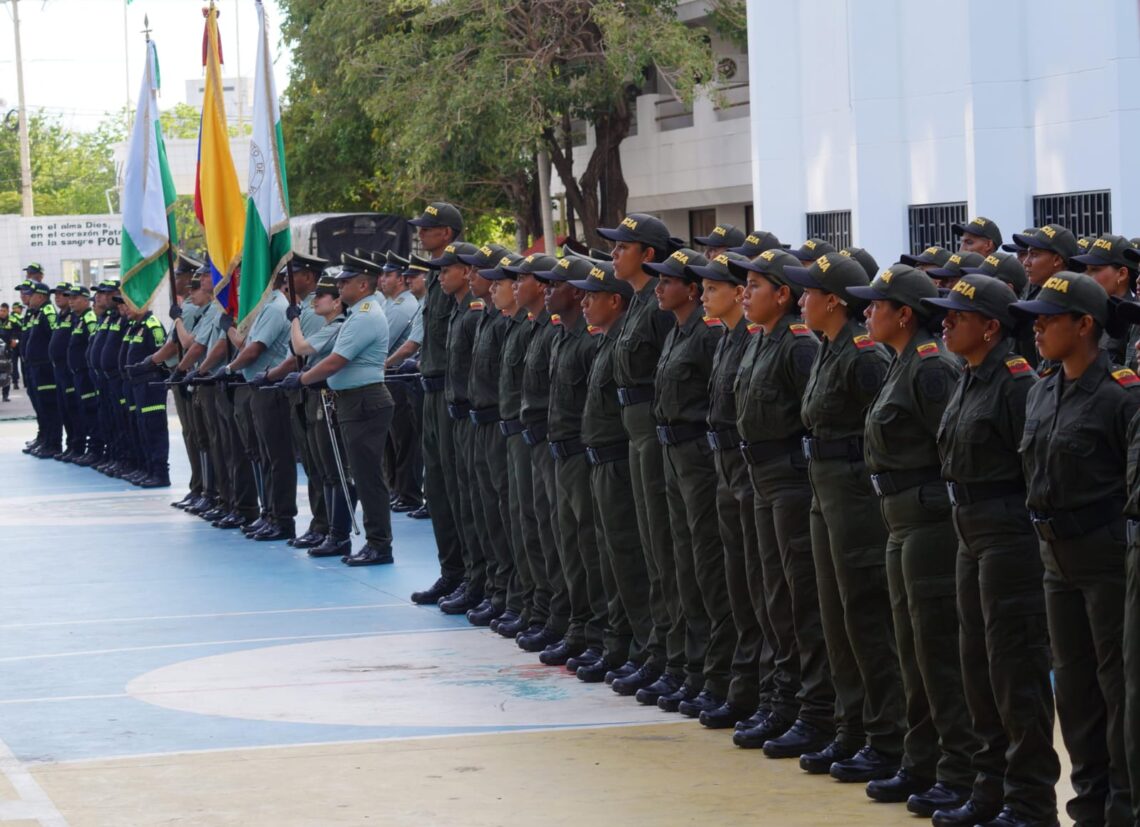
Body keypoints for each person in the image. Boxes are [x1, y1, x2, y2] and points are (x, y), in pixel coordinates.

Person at [921, 274, 1060, 827]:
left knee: (1014, 669)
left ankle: (1029, 802)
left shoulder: (1016, 384)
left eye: (959, 314)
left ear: (992, 327)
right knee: (975, 666)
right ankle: (989, 788)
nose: (947, 321)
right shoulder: (967, 376)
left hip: (1008, 537)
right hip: (969, 531)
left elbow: (1037, 471)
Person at [848, 265, 976, 815]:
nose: (867, 313)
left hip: (928, 522)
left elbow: (953, 449)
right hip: (899, 519)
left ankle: (958, 768)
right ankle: (920, 759)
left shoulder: (930, 370)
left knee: (936, 648)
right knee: (911, 648)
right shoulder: (902, 363)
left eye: (877, 305)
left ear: (904, 313)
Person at [1012, 272, 1138, 827]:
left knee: (1117, 689)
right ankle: (1087, 803)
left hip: (1104, 557)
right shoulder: (1042, 388)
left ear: (1084, 325)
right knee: (1076, 691)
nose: (1036, 326)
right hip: (1054, 558)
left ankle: (1121, 805)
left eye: (1049, 318)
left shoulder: (1120, 397)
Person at [784, 253, 907, 782]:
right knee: (833, 614)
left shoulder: (863, 356)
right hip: (823, 491)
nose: (801, 300)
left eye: (809, 293)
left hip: (854, 496)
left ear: (834, 301)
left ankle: (886, 736)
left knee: (864, 614)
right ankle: (850, 725)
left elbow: (883, 434)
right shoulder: (828, 350)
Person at [729, 248, 836, 757]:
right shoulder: (759, 340)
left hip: (790, 481)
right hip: (759, 478)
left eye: (755, 285)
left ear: (783, 294)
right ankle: (782, 698)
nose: (745, 293)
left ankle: (814, 710)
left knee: (799, 598)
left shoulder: (798, 346)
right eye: (744, 285)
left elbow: (811, 419)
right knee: (770, 593)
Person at [597, 213, 684, 702]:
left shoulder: (655, 307)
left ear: (647, 255)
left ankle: (669, 656)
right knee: (646, 548)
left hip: (652, 431)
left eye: (622, 246)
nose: (613, 254)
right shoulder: (637, 304)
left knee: (659, 550)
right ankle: (657, 652)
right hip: (635, 431)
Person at [689, 250, 775, 734]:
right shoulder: (727, 338)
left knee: (761, 589)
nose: (704, 294)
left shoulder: (756, 340)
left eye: (713, 287)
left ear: (740, 293)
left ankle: (759, 692)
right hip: (726, 466)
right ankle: (743, 687)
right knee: (737, 585)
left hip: (750, 470)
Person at [648, 247, 735, 716]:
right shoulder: (679, 331)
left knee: (706, 565)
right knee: (681, 560)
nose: (660, 288)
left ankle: (713, 673)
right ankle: (691, 665)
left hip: (699, 458)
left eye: (669, 280)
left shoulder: (708, 335)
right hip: (673, 454)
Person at [573, 259, 654, 684]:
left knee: (630, 558)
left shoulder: (624, 336)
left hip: (621, 461)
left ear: (615, 301)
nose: (584, 303)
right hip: (599, 461)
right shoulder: (607, 341)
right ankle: (619, 644)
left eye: (593, 296)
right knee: (608, 560)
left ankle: (642, 650)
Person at [290, 256, 395, 567]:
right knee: (361, 475)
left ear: (363, 284)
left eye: (344, 282)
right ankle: (358, 538)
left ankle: (379, 544)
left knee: (368, 477)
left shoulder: (365, 315)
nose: (338, 286)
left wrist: (303, 378)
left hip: (365, 400)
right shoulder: (357, 313)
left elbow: (337, 360)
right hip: (355, 400)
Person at [404, 203, 468, 605]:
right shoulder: (435, 276)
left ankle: (469, 574)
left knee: (456, 487)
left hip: (449, 390)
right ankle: (451, 571)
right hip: (430, 389)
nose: (421, 234)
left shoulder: (459, 268)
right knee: (438, 488)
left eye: (428, 228)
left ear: (446, 233)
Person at [481, 252, 543, 639]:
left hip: (532, 434)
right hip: (509, 429)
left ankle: (539, 609)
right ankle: (523, 600)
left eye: (510, 281)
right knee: (511, 516)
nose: (500, 287)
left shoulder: (535, 327)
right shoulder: (516, 326)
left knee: (539, 524)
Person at [272, 274, 351, 559]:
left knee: (332, 470)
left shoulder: (338, 325)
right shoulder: (330, 323)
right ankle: (323, 526)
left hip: (326, 400)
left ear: (337, 303)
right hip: (314, 397)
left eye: (322, 296)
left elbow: (301, 349)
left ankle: (334, 530)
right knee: (318, 468)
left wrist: (294, 320)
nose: (315, 300)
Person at [458, 244, 516, 626]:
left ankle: (509, 594)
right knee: (483, 510)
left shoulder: (505, 322)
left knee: (505, 514)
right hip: (480, 421)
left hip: (499, 423)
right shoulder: (484, 318)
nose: (477, 280)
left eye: (489, 276)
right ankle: (495, 589)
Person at [221, 269, 297, 542]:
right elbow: (246, 344)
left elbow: (254, 350)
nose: (243, 280)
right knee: (263, 455)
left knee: (278, 458)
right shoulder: (264, 307)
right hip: (259, 386)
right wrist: (230, 329)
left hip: (271, 388)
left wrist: (229, 368)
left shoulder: (276, 307)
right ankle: (270, 513)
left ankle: (283, 518)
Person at [121, 300, 170, 487]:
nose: (125, 308)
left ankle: (160, 473)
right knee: (142, 428)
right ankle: (148, 469)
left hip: (151, 385)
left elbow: (161, 355)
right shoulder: (135, 327)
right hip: (138, 386)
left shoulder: (153, 326)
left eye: (128, 304)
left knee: (154, 429)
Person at [22, 281, 62, 458]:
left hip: (45, 368)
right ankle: (45, 438)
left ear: (40, 296)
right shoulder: (36, 313)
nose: (27, 298)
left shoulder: (47, 311)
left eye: (30, 294)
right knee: (40, 405)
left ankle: (52, 443)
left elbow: (54, 337)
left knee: (48, 405)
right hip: (34, 367)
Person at [64, 286, 99, 463]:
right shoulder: (78, 319)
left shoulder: (89, 318)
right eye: (70, 297)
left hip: (86, 374)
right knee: (82, 411)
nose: (71, 300)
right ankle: (85, 448)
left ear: (86, 300)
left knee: (91, 411)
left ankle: (95, 450)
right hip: (77, 374)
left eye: (75, 298)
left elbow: (92, 343)